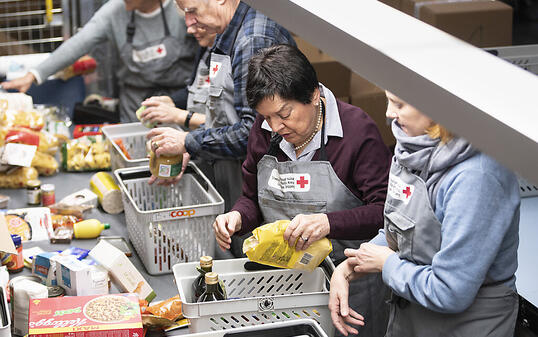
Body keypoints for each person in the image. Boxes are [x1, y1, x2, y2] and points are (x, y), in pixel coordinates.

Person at [213, 44, 392, 337]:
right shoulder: (265, 130)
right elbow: (251, 197)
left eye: (284, 113)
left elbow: (384, 211)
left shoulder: (357, 132)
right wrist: (236, 217)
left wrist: (328, 223)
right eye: (266, 117)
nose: (275, 126)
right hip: (283, 284)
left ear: (313, 95)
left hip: (350, 284)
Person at [329, 91, 520, 336]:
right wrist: (349, 266)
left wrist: (386, 264)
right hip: (412, 312)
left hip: (466, 323)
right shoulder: (412, 145)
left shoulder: (477, 177)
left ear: (439, 107)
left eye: (399, 103)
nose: (389, 113)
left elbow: (450, 291)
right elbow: (399, 229)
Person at [147, 0, 295, 214]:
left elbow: (254, 133)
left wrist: (189, 141)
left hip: (260, 195)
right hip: (232, 181)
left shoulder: (253, 41)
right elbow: (223, 116)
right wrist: (192, 149)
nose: (189, 25)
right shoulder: (225, 33)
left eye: (192, 11)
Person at [0, 0, 197, 122]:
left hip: (180, 102)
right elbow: (79, 43)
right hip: (136, 107)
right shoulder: (115, 11)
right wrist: (34, 75)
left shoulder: (180, 8)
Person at [139, 26, 216, 130]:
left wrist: (179, 116)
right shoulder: (204, 47)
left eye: (198, 20)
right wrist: (171, 101)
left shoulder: (235, 55)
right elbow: (196, 89)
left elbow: (228, 126)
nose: (190, 29)